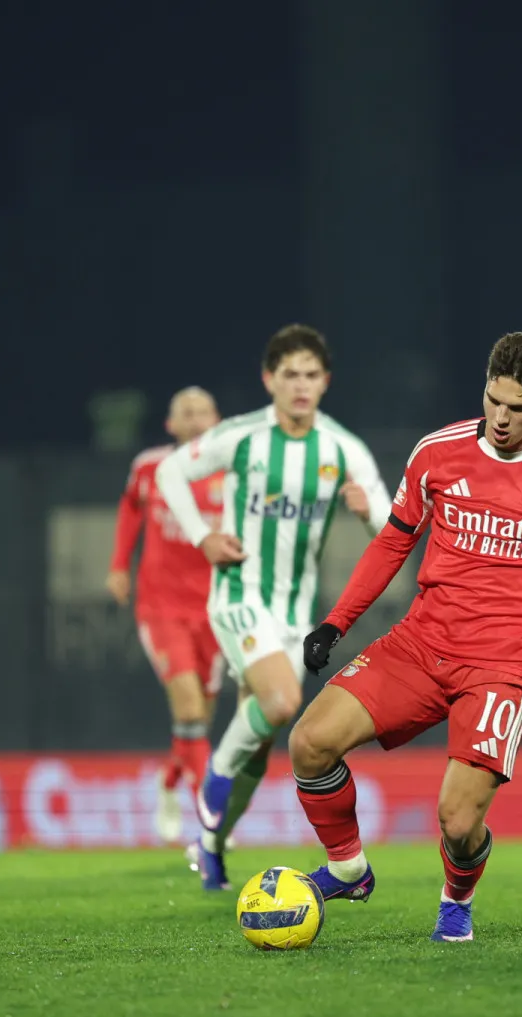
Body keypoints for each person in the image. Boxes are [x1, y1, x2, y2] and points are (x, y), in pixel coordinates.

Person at [289, 331, 522, 943]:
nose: (501, 418)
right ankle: (348, 869)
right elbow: (393, 542)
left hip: (502, 666)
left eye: (518, 408)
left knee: (457, 821)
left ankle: (456, 901)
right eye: (493, 400)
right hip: (420, 645)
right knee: (309, 743)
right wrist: (336, 622)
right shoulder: (437, 452)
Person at [153, 324, 388, 890]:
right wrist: (203, 537)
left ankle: (210, 846)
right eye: (290, 375)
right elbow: (169, 471)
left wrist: (367, 513)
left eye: (311, 375)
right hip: (238, 596)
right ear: (269, 379)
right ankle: (212, 779)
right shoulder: (243, 436)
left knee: (257, 749)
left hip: (293, 614)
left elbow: (393, 529)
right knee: (281, 702)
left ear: (325, 381)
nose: (300, 385)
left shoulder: (343, 449)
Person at [105, 386, 226, 844]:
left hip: (215, 611)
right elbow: (129, 507)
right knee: (190, 709)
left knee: (197, 723)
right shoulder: (150, 467)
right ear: (170, 424)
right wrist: (119, 565)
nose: (195, 420)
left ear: (217, 421)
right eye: (185, 413)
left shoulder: (235, 471)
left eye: (202, 412)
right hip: (161, 609)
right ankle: (211, 818)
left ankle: (169, 780)